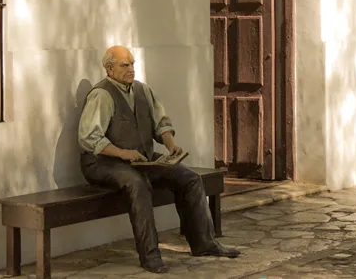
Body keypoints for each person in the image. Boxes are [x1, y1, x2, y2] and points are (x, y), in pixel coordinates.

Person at [78, 45, 240, 274]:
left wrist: (171, 145)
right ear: (109, 68)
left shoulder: (143, 91)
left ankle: (205, 244)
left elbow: (161, 122)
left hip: (141, 158)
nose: (131, 69)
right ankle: (150, 256)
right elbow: (89, 139)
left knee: (190, 178)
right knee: (138, 185)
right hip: (103, 163)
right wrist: (123, 153)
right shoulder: (101, 95)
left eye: (132, 64)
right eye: (125, 65)